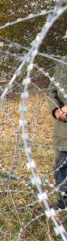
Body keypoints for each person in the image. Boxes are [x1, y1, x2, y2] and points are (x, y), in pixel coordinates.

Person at [49, 62, 67, 209]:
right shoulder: (62, 64)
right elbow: (52, 90)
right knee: (61, 166)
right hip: (63, 129)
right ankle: (64, 202)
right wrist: (56, 110)